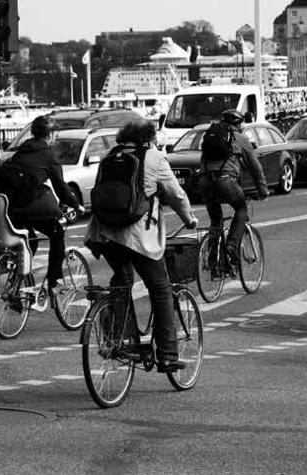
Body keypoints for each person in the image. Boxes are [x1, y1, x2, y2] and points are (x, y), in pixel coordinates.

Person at [85, 120, 199, 373]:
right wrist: (189, 218)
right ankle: (168, 355)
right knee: (160, 288)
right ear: (147, 139)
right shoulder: (154, 158)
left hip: (105, 234)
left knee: (121, 280)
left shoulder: (109, 157)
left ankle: (119, 340)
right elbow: (176, 194)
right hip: (137, 236)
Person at [5, 115, 86, 290]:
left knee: (30, 241)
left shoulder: (19, 153)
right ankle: (54, 282)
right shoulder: (49, 155)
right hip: (32, 207)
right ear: (50, 135)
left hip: (13, 210)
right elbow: (61, 188)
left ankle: (17, 283)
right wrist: (76, 205)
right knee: (57, 235)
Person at [196, 109, 269, 265]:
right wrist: (263, 190)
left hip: (205, 181)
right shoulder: (240, 138)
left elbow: (202, 162)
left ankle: (212, 260)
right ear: (238, 124)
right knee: (241, 209)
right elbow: (255, 167)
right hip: (226, 181)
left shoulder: (210, 137)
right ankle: (231, 245)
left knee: (216, 221)